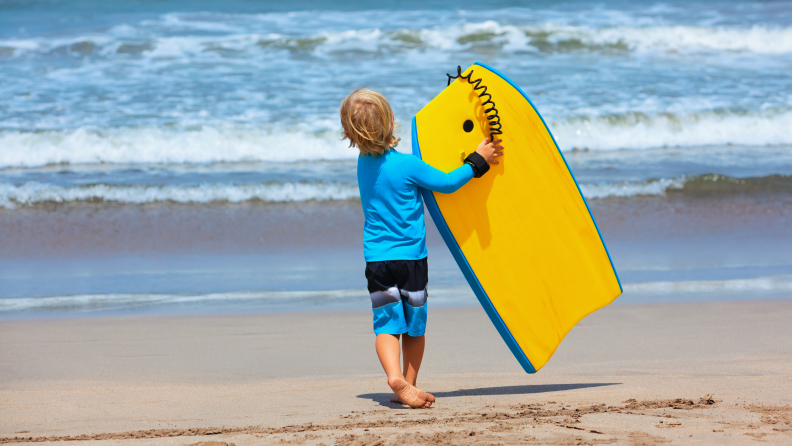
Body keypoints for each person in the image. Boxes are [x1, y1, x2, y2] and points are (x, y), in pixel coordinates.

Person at [340, 88, 504, 409]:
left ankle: (394, 378)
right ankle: (409, 382)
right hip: (411, 260)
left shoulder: (363, 165)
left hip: (377, 262)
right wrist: (477, 161)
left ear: (350, 135)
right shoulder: (407, 165)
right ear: (391, 122)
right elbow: (446, 183)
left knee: (387, 325)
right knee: (415, 327)